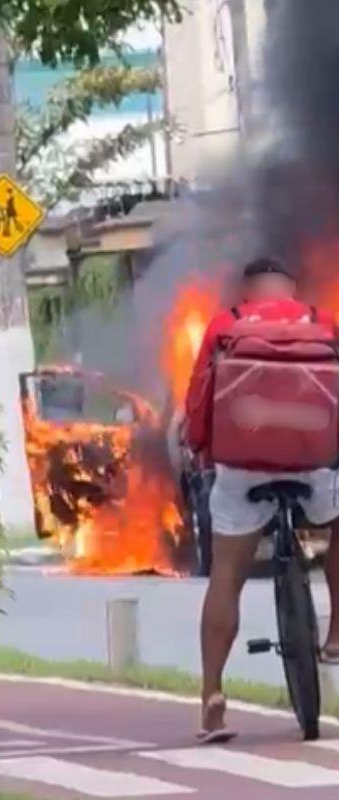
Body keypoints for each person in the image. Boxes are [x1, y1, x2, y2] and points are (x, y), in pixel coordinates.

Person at [184, 257, 339, 742]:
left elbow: (200, 396)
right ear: (291, 289)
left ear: (248, 290)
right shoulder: (322, 322)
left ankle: (212, 696)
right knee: (337, 524)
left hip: (242, 464)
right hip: (312, 460)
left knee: (226, 575)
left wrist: (199, 448)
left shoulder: (225, 324)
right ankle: (336, 631)